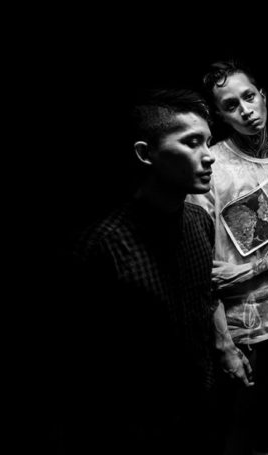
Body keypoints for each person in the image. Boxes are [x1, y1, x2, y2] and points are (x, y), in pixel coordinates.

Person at [69, 90, 238, 455]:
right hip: (138, 427)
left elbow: (204, 297)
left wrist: (224, 349)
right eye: (191, 142)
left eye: (208, 142)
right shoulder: (101, 246)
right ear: (145, 154)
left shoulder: (199, 221)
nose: (209, 155)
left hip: (202, 409)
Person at [187, 60, 268, 455]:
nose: (245, 110)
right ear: (220, 115)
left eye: (249, 96)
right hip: (229, 322)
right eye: (231, 105)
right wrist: (223, 342)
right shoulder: (210, 169)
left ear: (263, 96)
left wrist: (247, 269)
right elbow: (200, 269)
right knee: (220, 417)